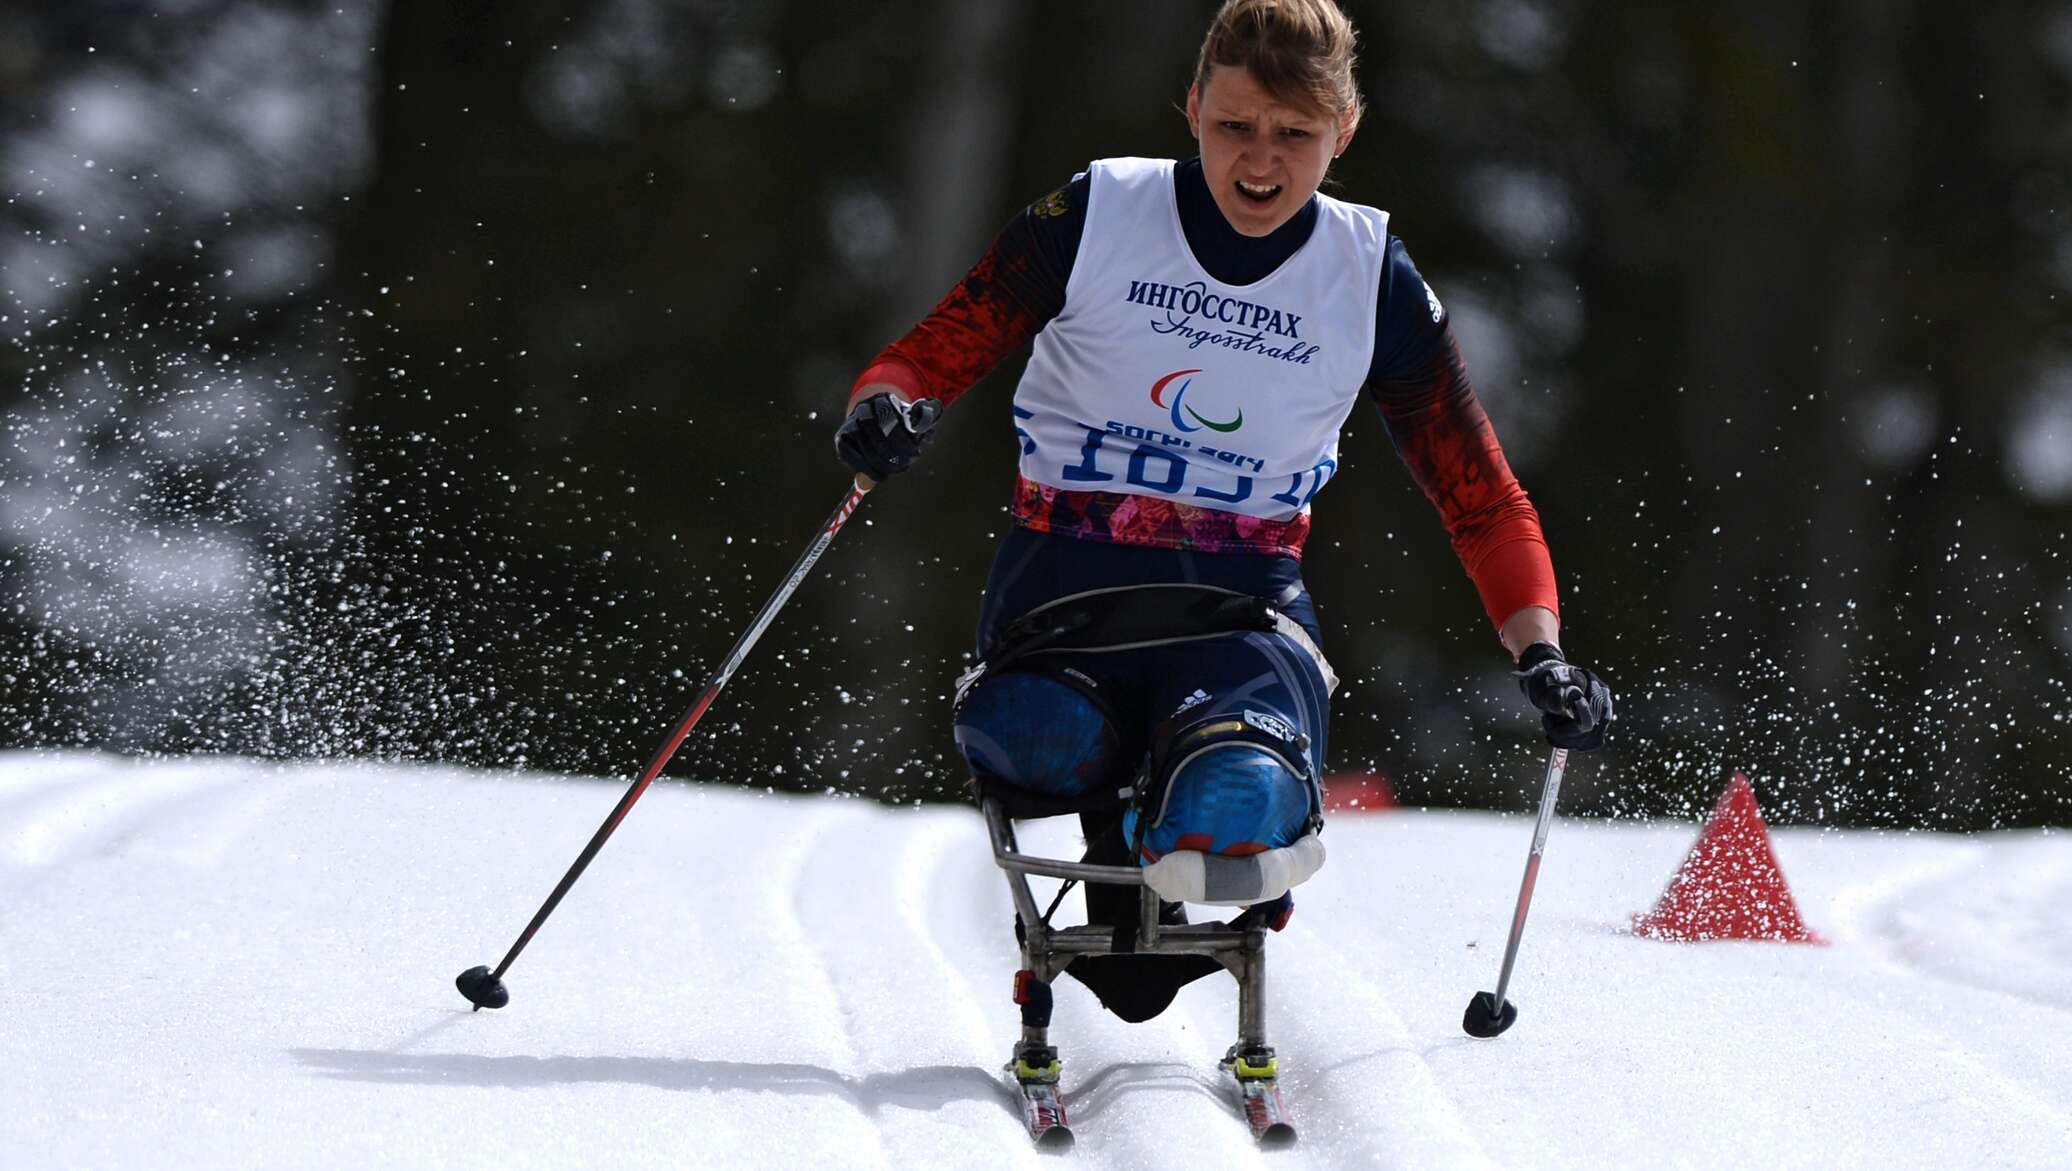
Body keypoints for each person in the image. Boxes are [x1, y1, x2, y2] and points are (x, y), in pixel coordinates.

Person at [835, 0, 1611, 1024]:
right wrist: (881, 412)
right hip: (1063, 593)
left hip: (1239, 620)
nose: (1258, 161)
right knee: (1032, 737)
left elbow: (1479, 495)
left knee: (1230, 803)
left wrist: (1540, 654)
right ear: (1190, 107)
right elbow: (926, 354)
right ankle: (1138, 840)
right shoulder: (1100, 213)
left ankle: (1208, 824)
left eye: (1293, 135)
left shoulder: (1365, 273)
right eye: (1233, 125)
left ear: (1343, 132)